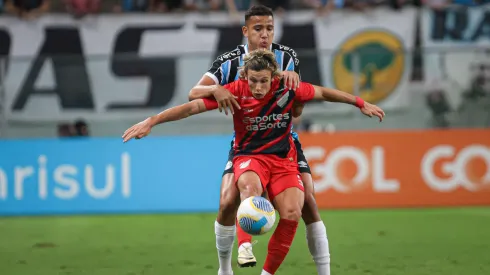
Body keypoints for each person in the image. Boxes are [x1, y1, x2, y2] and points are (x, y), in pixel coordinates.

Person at [122, 49, 385, 275]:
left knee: (293, 212)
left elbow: (324, 93)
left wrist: (359, 102)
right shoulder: (235, 91)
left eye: (264, 82)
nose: (258, 88)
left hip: (283, 160)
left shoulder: (288, 88)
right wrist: (152, 121)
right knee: (249, 190)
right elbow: (191, 107)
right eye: (254, 81)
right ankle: (245, 246)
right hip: (249, 156)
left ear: (274, 78)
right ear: (245, 77)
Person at [187, 4, 331, 274]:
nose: (265, 35)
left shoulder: (287, 57)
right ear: (246, 31)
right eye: (258, 29)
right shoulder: (230, 61)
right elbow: (194, 92)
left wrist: (296, 82)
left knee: (308, 202)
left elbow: (297, 103)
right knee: (228, 200)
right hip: (248, 143)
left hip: (283, 139)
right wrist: (216, 90)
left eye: (269, 28)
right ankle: (225, 269)